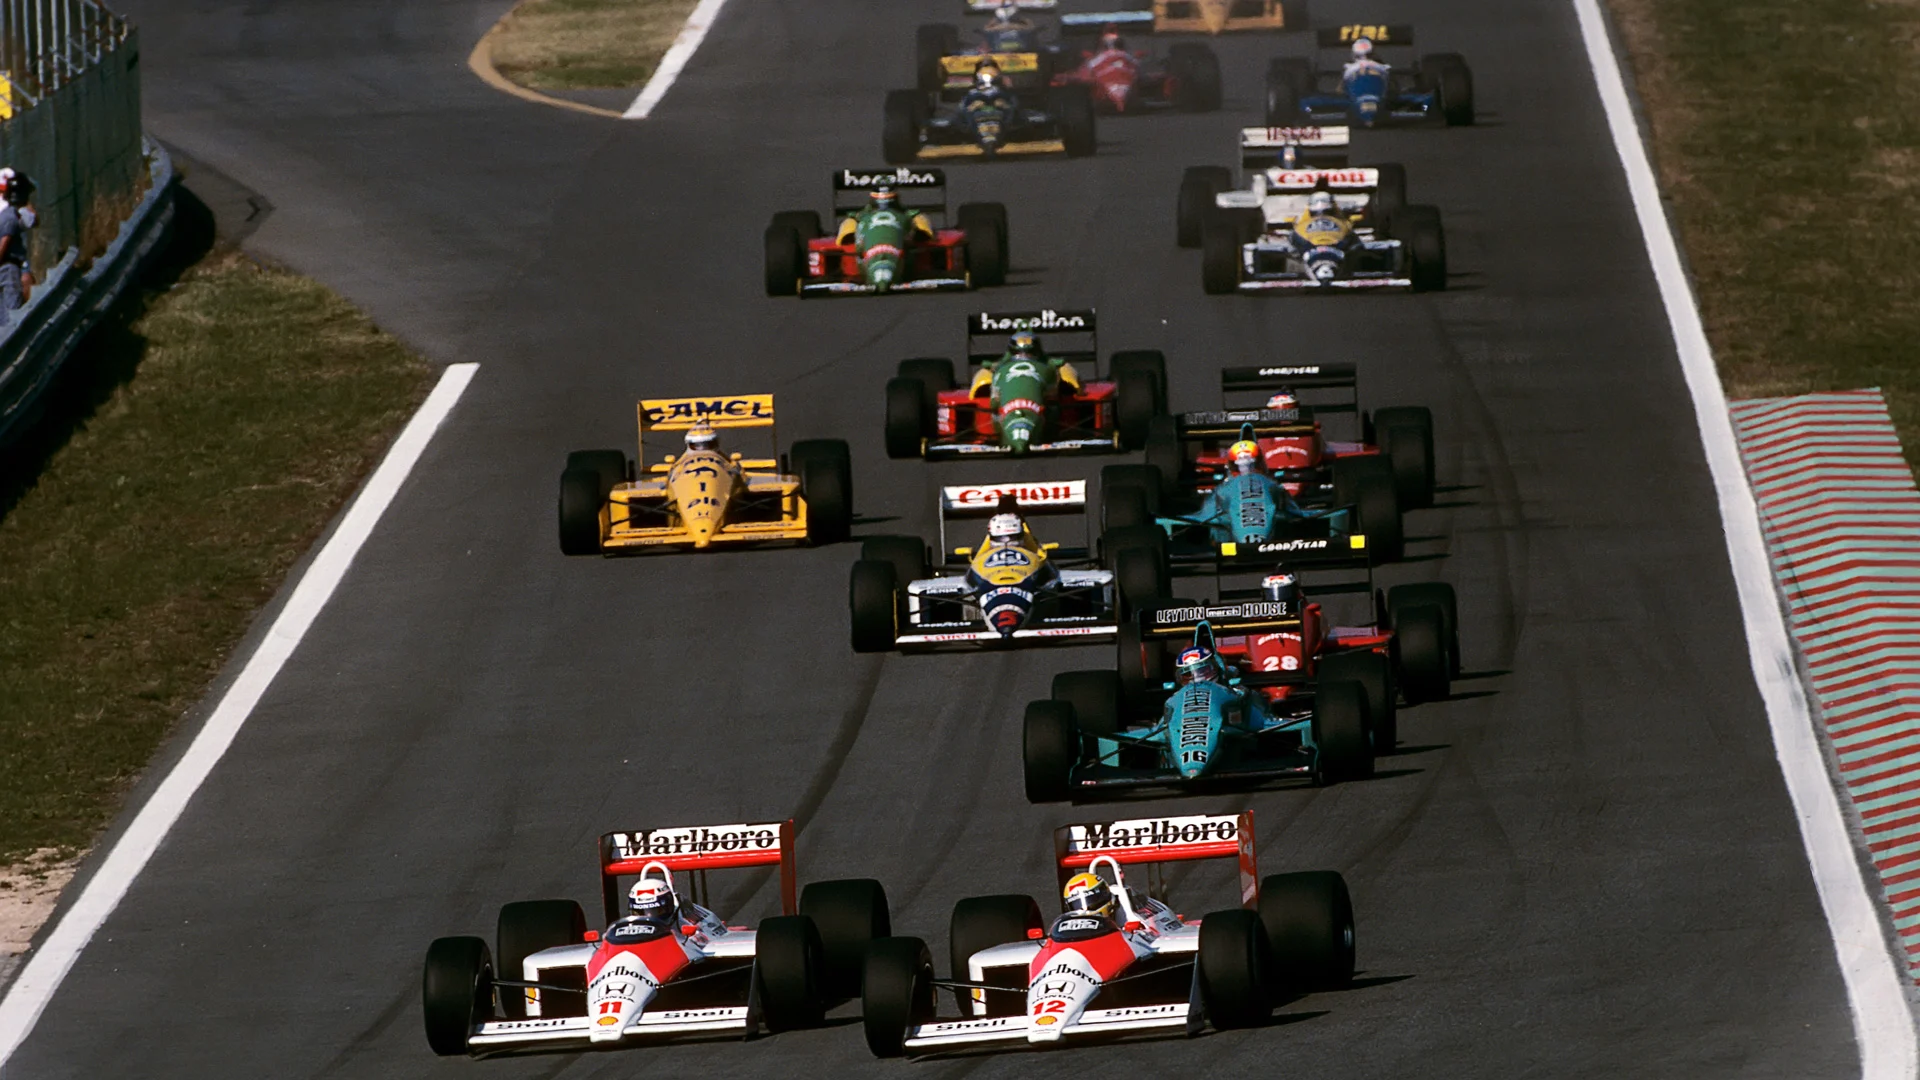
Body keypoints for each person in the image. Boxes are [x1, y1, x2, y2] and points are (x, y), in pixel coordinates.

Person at [835, 184, 935, 246]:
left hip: (903, 252)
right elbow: (842, 244)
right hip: (868, 254)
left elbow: (927, 237)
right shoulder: (858, 217)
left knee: (923, 230)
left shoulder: (911, 217)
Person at [0, 169, 34, 323]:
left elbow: (33, 220)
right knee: (11, 314)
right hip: (8, 268)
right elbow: (4, 244)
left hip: (8, 266)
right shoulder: (10, 218)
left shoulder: (9, 214)